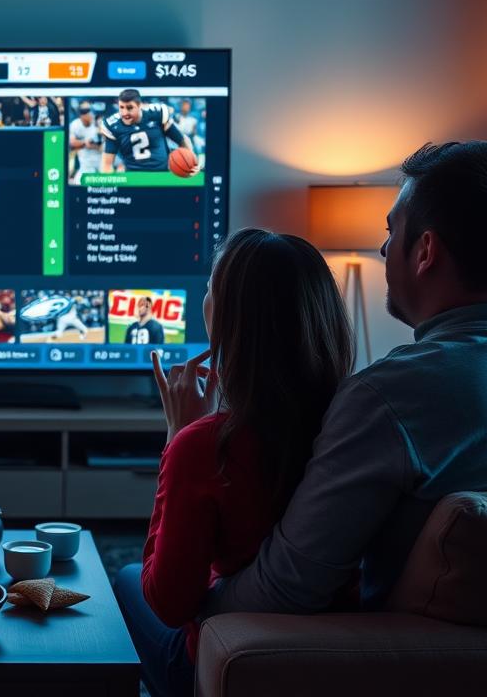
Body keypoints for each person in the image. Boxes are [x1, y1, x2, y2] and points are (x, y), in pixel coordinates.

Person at [199, 142, 487, 620]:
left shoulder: (387, 398)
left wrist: (198, 612)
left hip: (401, 663)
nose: (383, 248)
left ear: (425, 251)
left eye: (391, 230)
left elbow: (286, 591)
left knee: (129, 594)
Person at [113, 229, 354, 697]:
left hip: (223, 662)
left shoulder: (207, 446)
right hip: (337, 651)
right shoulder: (357, 426)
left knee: (125, 580)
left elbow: (168, 604)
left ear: (226, 317)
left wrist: (177, 438)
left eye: (209, 288)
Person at [99, 89, 198, 174]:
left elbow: (182, 140)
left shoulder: (156, 114)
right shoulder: (113, 125)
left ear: (139, 105)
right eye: (121, 107)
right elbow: (106, 165)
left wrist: (190, 162)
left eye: (129, 108)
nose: (125, 113)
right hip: (133, 178)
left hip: (162, 175)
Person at [69, 102, 103, 183]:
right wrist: (84, 143)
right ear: (82, 115)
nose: (90, 114)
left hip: (101, 162)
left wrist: (91, 144)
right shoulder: (75, 124)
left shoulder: (98, 122)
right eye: (87, 112)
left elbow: (101, 146)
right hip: (86, 165)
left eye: (90, 111)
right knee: (78, 182)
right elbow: (72, 143)